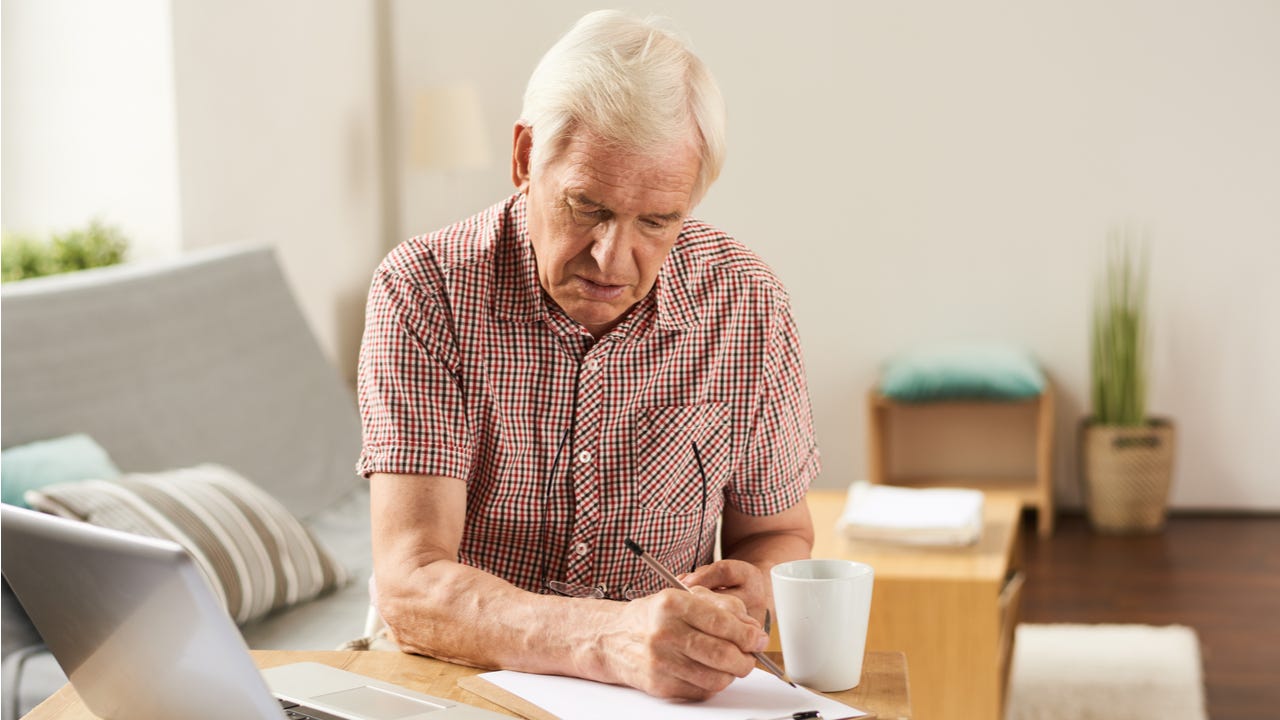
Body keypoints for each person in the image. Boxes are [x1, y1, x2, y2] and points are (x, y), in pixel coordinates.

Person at [357, 10, 820, 701]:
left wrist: (752, 585)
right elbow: (413, 583)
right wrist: (611, 640)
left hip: (658, 697)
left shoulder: (747, 306)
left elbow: (779, 532)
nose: (612, 259)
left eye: (655, 222)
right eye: (588, 208)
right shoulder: (424, 291)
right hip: (455, 683)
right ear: (523, 158)